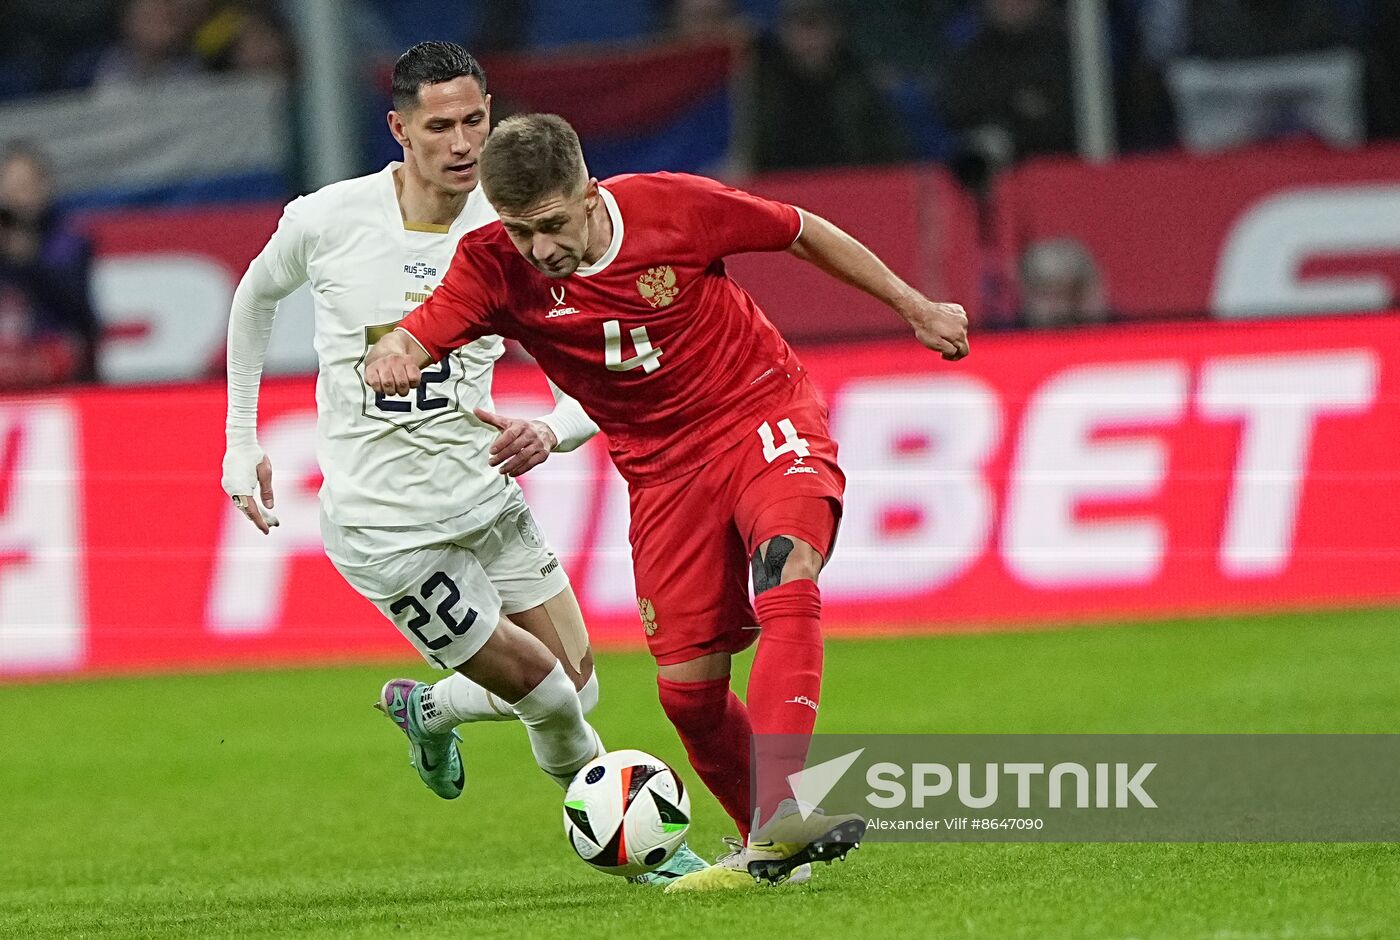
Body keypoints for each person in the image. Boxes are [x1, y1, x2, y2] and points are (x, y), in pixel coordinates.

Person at [364, 113, 969, 891]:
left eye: (551, 225)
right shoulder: (489, 266)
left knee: (785, 567)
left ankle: (784, 811)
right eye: (520, 231)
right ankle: (774, 859)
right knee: (688, 696)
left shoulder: (672, 208)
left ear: (587, 193)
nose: (540, 250)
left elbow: (800, 230)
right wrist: (395, 351)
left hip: (759, 411)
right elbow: (423, 330)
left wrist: (915, 306)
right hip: (659, 473)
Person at [219, 43, 703, 885]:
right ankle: (637, 855)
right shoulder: (327, 219)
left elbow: (609, 365)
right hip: (389, 529)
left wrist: (554, 431)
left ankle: (427, 708)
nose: (461, 142)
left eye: (475, 120)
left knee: (579, 689)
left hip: (486, 495)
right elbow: (254, 298)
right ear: (398, 128)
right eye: (438, 125)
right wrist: (239, 438)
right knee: (548, 695)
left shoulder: (517, 226)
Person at [0, 143, 98, 386]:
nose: (16, 197)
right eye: (10, 187)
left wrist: (27, 263)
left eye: (24, 186)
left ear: (43, 187)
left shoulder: (68, 242)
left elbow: (79, 313)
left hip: (54, 366)